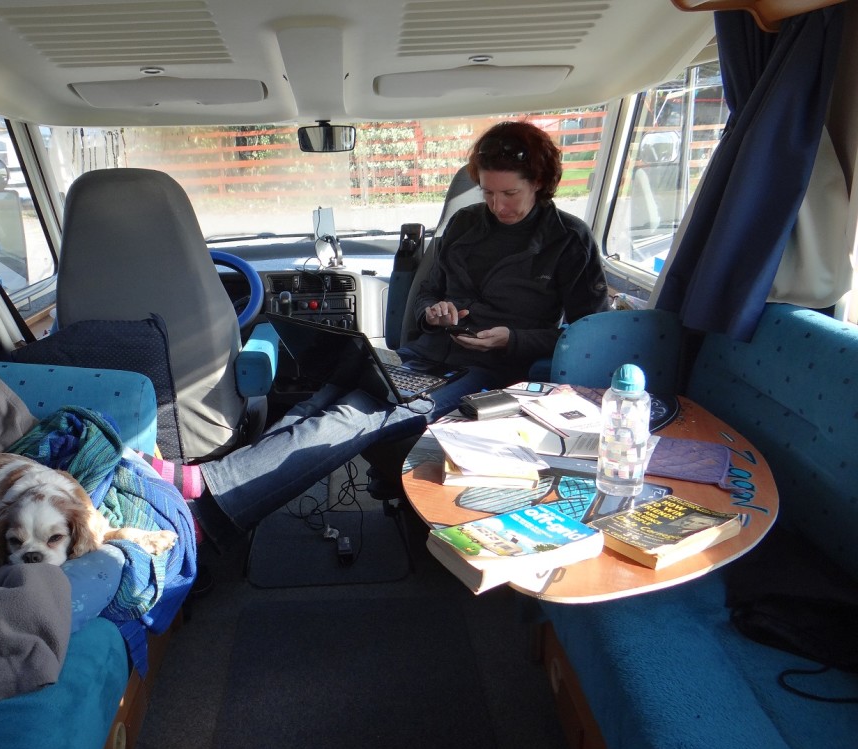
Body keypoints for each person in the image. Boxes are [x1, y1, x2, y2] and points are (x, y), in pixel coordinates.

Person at [182, 120, 610, 545]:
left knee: (356, 415)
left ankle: (203, 502)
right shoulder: (464, 224)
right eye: (489, 193)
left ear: (539, 182)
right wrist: (433, 314)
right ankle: (213, 489)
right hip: (426, 352)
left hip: (488, 372)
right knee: (320, 400)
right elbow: (425, 297)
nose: (498, 206)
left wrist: (512, 339)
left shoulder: (569, 240)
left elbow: (590, 335)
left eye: (510, 194)